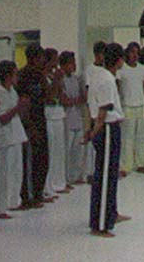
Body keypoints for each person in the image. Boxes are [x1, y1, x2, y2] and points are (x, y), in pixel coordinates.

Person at [87, 42, 130, 237]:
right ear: (119, 60)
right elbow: (103, 110)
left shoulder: (105, 76)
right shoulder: (105, 79)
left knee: (111, 175)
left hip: (110, 128)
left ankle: (111, 213)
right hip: (106, 129)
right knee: (104, 177)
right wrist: (93, 132)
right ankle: (100, 224)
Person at [0, 61, 28, 219]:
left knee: (16, 173)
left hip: (16, 136)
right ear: (7, 75)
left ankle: (13, 202)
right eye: (15, 73)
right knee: (3, 175)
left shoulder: (12, 91)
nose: (17, 77)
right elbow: (2, 118)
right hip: (4, 139)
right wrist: (18, 107)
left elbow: (17, 113)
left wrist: (22, 108)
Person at [15, 43, 49, 209]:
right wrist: (30, 127)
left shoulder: (39, 76)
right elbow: (23, 105)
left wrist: (46, 79)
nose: (44, 61)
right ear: (34, 58)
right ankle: (27, 197)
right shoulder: (22, 76)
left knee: (42, 160)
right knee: (29, 162)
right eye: (42, 57)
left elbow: (48, 98)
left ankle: (38, 193)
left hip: (41, 120)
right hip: (28, 124)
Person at [118, 42, 144, 175]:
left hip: (141, 106)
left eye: (137, 53)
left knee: (142, 137)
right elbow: (118, 89)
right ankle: (126, 166)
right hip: (127, 107)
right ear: (127, 53)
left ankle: (140, 163)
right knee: (127, 137)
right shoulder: (122, 69)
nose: (135, 55)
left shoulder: (143, 69)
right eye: (132, 52)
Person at [43, 48, 68, 199]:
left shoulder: (54, 75)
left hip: (59, 115)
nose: (57, 62)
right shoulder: (44, 76)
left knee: (59, 152)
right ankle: (48, 186)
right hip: (49, 116)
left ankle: (59, 183)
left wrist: (58, 81)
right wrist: (57, 81)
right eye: (54, 59)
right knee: (51, 153)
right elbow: (49, 97)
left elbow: (60, 95)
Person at [60, 51, 86, 186]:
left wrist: (74, 100)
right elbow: (65, 101)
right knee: (67, 150)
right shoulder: (60, 80)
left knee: (78, 149)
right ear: (64, 65)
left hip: (78, 118)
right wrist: (75, 100)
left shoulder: (76, 79)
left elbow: (83, 98)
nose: (74, 65)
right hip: (67, 120)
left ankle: (75, 176)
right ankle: (65, 178)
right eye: (71, 63)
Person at [84, 41, 106, 183]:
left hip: (105, 112)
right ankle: (91, 172)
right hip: (93, 110)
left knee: (104, 144)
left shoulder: (106, 71)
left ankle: (103, 171)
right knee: (93, 143)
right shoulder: (89, 70)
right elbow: (88, 91)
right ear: (98, 54)